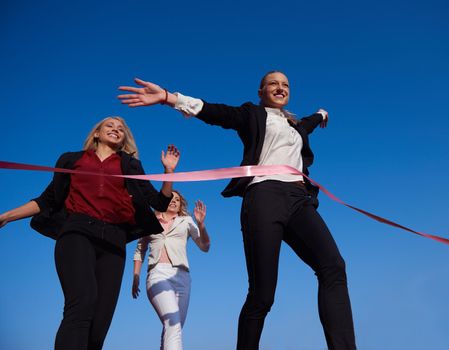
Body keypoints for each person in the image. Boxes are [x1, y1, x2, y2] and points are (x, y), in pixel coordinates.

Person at [118, 71, 357, 350]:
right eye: (273, 84)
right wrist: (169, 98)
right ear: (261, 91)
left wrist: (322, 114)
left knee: (334, 267)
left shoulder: (297, 125)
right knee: (262, 295)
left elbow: (312, 121)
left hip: (298, 199)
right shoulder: (252, 115)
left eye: (285, 85)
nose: (280, 88)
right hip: (264, 197)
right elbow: (215, 112)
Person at [0, 116, 180, 350]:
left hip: (114, 242)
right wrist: (5, 216)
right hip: (78, 233)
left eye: (121, 129)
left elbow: (159, 202)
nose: (116, 130)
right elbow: (47, 200)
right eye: (110, 126)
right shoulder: (71, 160)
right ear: (96, 133)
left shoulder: (130, 165)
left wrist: (168, 172)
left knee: (99, 324)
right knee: (82, 303)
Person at [132, 191, 211, 350]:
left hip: (182, 278)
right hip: (157, 275)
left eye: (178, 200)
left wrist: (201, 225)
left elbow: (205, 246)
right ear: (162, 201)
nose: (174, 201)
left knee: (173, 328)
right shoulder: (150, 222)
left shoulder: (186, 221)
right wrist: (136, 277)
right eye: (171, 199)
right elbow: (139, 250)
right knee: (173, 323)